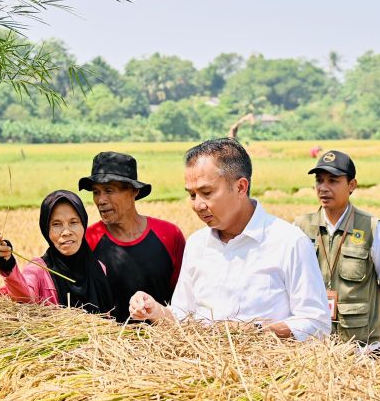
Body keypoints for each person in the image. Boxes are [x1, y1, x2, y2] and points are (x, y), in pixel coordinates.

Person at [129, 138, 330, 341]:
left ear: (241, 187)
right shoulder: (197, 244)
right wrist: (156, 310)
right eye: (192, 195)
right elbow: (185, 316)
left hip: (267, 368)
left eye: (206, 193)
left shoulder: (289, 242)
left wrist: (256, 332)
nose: (198, 205)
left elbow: (317, 323)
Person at [293, 150, 380, 352]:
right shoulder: (300, 227)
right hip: (312, 347)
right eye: (319, 180)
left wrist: (367, 318)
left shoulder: (372, 228)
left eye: (333, 181)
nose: (323, 188)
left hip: (360, 348)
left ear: (352, 185)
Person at [78, 151, 185, 322]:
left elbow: (184, 297)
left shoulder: (169, 235)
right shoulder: (88, 241)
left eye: (109, 190)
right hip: (109, 345)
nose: (100, 200)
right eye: (96, 192)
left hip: (167, 343)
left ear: (134, 191)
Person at [0, 190, 114, 313]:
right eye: (56, 224)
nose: (67, 232)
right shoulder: (39, 269)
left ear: (83, 225)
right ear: (47, 231)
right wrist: (7, 264)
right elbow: (24, 297)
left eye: (73, 222)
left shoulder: (99, 268)